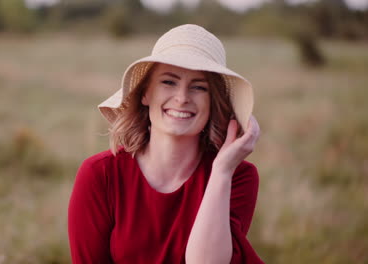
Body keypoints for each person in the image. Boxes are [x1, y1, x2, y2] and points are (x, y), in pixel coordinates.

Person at [68, 24, 263, 264]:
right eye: (169, 82)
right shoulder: (101, 175)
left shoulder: (238, 177)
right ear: (145, 93)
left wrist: (222, 171)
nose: (182, 98)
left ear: (214, 102)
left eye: (199, 87)